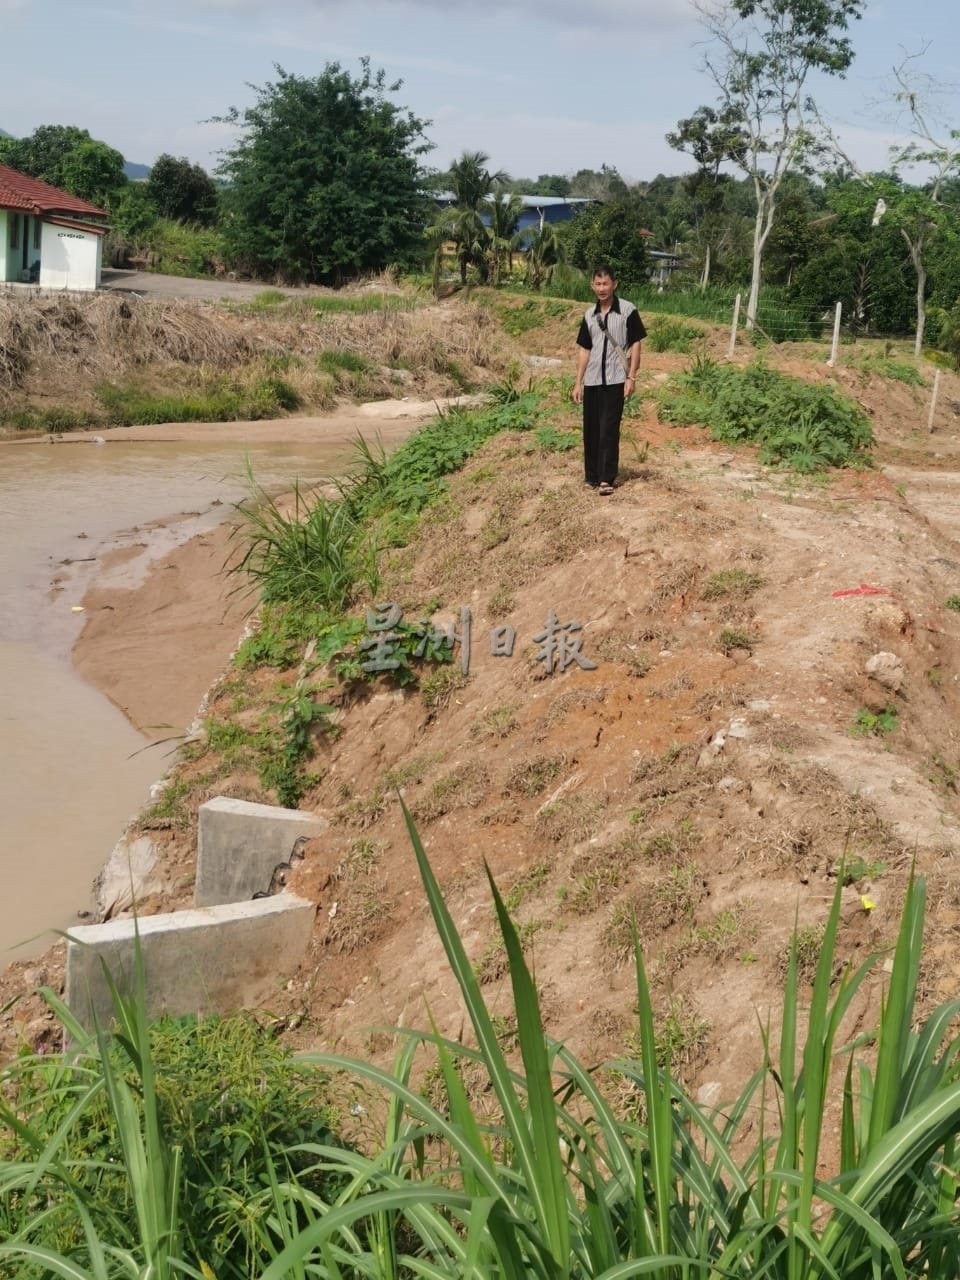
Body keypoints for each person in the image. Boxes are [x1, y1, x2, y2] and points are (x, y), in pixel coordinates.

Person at [572, 264, 646, 495]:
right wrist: (578, 382)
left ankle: (606, 478)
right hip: (593, 380)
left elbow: (636, 344)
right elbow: (585, 349)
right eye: (598, 283)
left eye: (606, 283)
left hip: (615, 379)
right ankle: (591, 476)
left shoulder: (627, 310)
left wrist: (631, 376)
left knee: (608, 429)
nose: (602, 288)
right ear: (592, 285)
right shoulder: (589, 315)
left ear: (615, 284)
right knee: (591, 429)